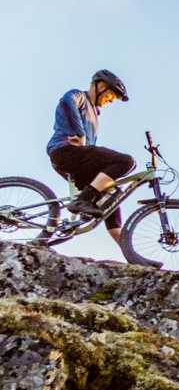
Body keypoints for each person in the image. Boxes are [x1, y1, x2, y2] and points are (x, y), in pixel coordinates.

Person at [45, 70, 160, 267]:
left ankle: (133, 257)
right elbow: (67, 101)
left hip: (80, 159)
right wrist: (78, 133)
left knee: (111, 199)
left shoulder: (95, 113)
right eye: (111, 95)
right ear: (100, 86)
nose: (111, 100)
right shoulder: (79, 96)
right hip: (65, 151)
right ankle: (81, 201)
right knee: (126, 162)